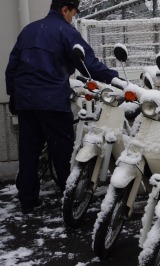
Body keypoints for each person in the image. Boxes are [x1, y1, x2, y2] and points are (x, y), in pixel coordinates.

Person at [5, 0, 119, 214]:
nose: (73, 18)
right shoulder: (65, 32)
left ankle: (27, 201)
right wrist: (116, 79)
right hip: (51, 101)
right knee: (62, 152)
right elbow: (88, 65)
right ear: (64, 10)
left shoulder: (29, 30)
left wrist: (13, 95)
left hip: (26, 101)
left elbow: (12, 66)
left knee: (29, 151)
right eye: (73, 13)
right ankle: (70, 199)